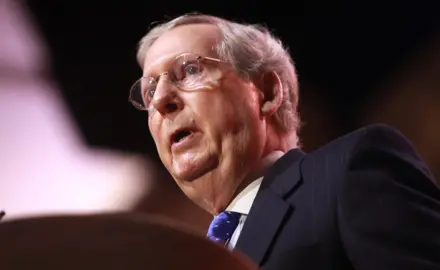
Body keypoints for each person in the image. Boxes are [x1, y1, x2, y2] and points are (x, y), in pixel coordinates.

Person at [129, 13, 440, 270]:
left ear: (266, 93)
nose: (160, 101)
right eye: (149, 91)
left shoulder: (348, 172)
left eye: (190, 70)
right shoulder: (189, 259)